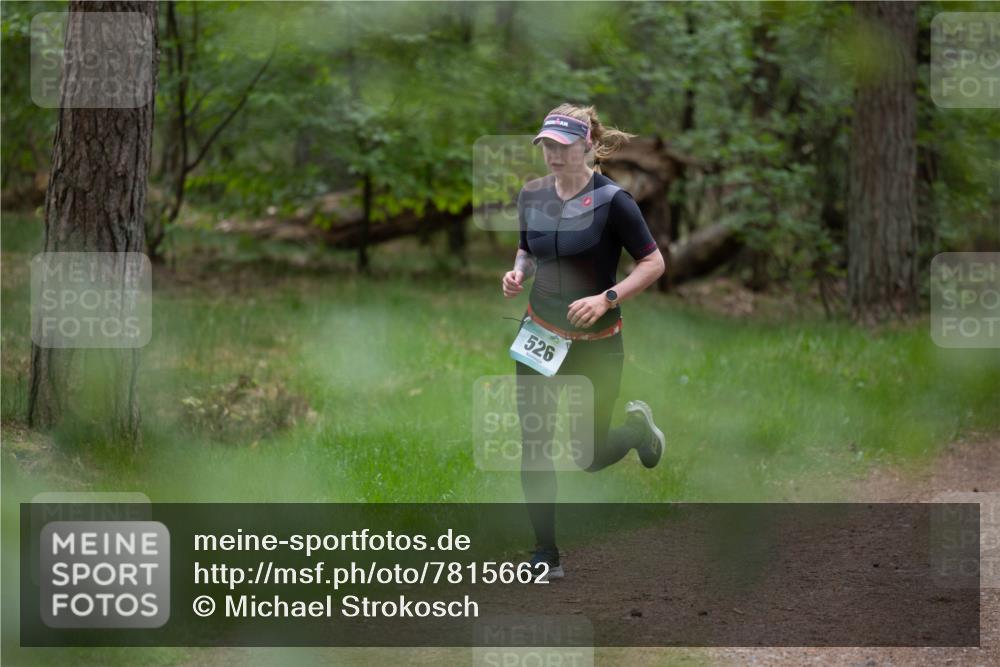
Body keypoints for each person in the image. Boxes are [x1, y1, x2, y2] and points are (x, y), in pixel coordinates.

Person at [502, 103, 667, 581]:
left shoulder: (615, 202)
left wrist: (607, 297)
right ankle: (545, 553)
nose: (553, 156)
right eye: (547, 146)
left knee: (587, 454)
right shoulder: (532, 196)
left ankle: (637, 432)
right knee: (534, 443)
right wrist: (517, 274)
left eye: (564, 147)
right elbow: (529, 250)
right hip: (539, 335)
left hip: (596, 341)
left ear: (589, 146)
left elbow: (654, 264)